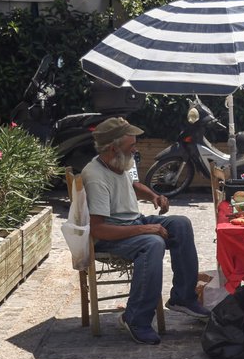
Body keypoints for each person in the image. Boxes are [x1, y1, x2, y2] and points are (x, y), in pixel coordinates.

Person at [81, 117, 209, 345]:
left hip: (132, 222)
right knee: (153, 243)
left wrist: (153, 196)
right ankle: (136, 319)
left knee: (180, 224)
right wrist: (145, 228)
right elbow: (99, 229)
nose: (135, 149)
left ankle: (183, 297)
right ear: (113, 148)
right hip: (111, 234)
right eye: (131, 146)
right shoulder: (95, 176)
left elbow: (132, 184)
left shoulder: (120, 161)